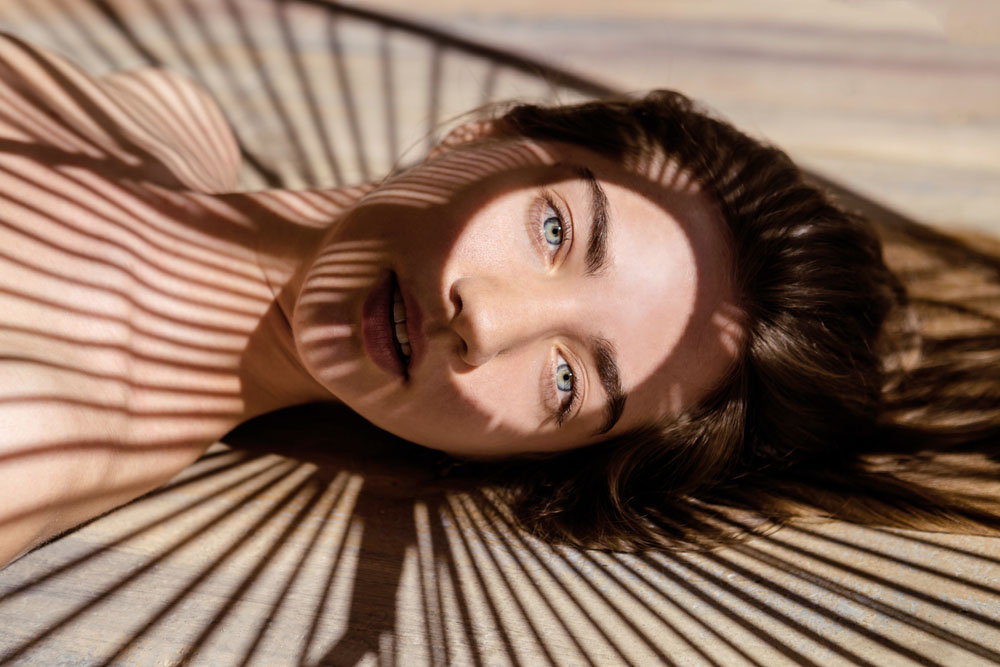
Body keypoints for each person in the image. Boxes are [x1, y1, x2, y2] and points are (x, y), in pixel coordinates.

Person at [1, 33, 997, 569]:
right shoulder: (170, 113)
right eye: (558, 231)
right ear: (479, 138)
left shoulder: (40, 427)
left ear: (521, 454)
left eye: (568, 379)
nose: (488, 325)